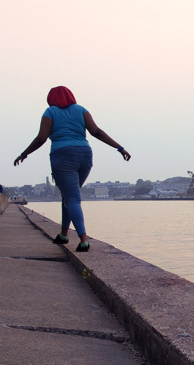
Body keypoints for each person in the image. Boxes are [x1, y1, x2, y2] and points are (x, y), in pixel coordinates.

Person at [13, 86, 131, 252]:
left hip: (62, 156)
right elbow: (96, 131)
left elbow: (41, 138)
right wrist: (120, 148)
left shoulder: (50, 112)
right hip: (84, 155)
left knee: (72, 198)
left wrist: (24, 154)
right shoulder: (81, 110)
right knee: (69, 196)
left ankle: (83, 240)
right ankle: (63, 234)